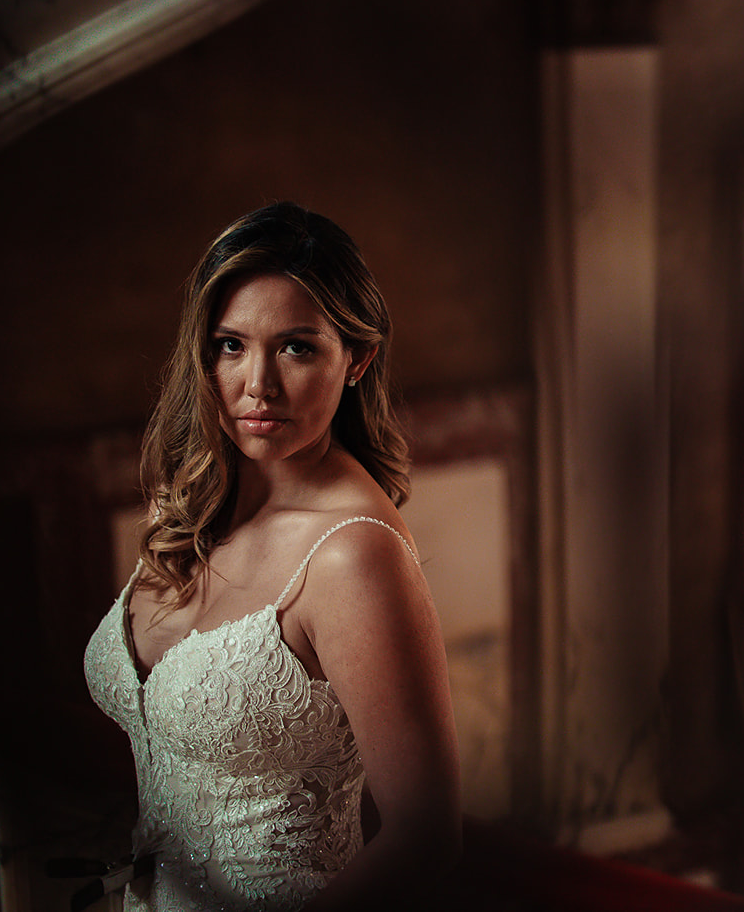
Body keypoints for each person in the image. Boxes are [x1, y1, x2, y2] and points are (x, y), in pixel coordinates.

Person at [84, 202, 461, 911]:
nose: (257, 384)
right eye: (231, 345)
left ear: (357, 359)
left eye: (296, 347)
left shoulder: (352, 556)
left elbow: (427, 837)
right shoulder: (190, 499)